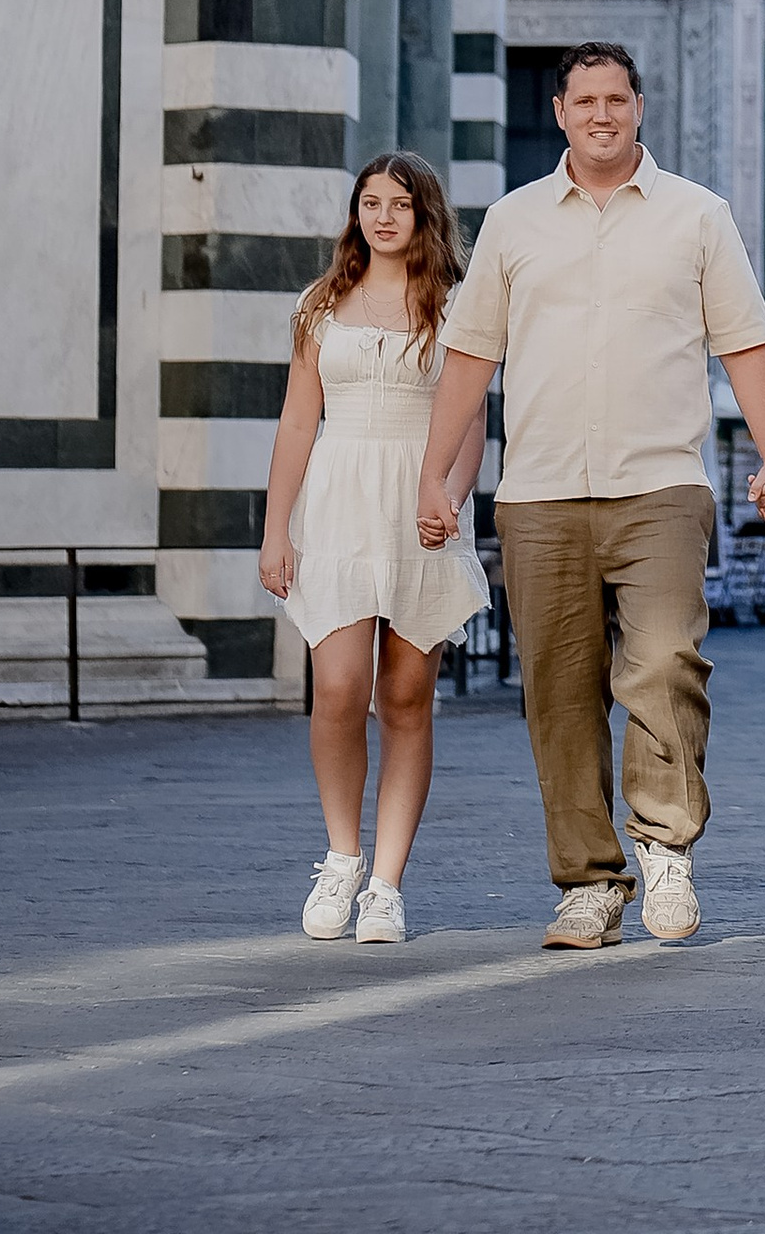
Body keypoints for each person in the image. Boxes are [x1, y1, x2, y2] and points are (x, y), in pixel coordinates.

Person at [415, 41, 765, 953]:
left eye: (616, 98)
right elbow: (471, 358)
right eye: (584, 100)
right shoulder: (511, 223)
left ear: (639, 107)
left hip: (660, 481)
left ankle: (664, 845)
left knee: (665, 665)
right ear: (559, 112)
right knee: (557, 694)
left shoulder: (698, 217)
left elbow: (744, 343)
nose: (601, 114)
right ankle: (589, 883)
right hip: (539, 492)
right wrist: (436, 478)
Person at [258, 152, 488, 944]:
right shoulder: (321, 305)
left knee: (405, 697)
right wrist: (273, 530)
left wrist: (449, 502)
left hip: (417, 504)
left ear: (425, 214)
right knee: (339, 689)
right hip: (338, 503)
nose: (383, 217)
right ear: (356, 214)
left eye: (399, 204)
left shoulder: (456, 308)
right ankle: (342, 857)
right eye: (370, 203)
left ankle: (387, 884)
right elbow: (296, 423)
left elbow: (470, 425)